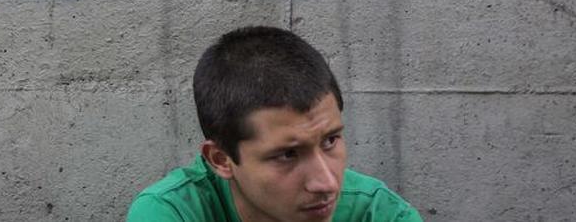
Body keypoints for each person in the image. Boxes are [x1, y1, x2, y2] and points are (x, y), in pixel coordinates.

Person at [127, 26, 422, 222]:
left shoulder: (378, 213)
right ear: (221, 160)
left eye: (330, 141)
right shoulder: (171, 212)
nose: (327, 182)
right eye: (287, 154)